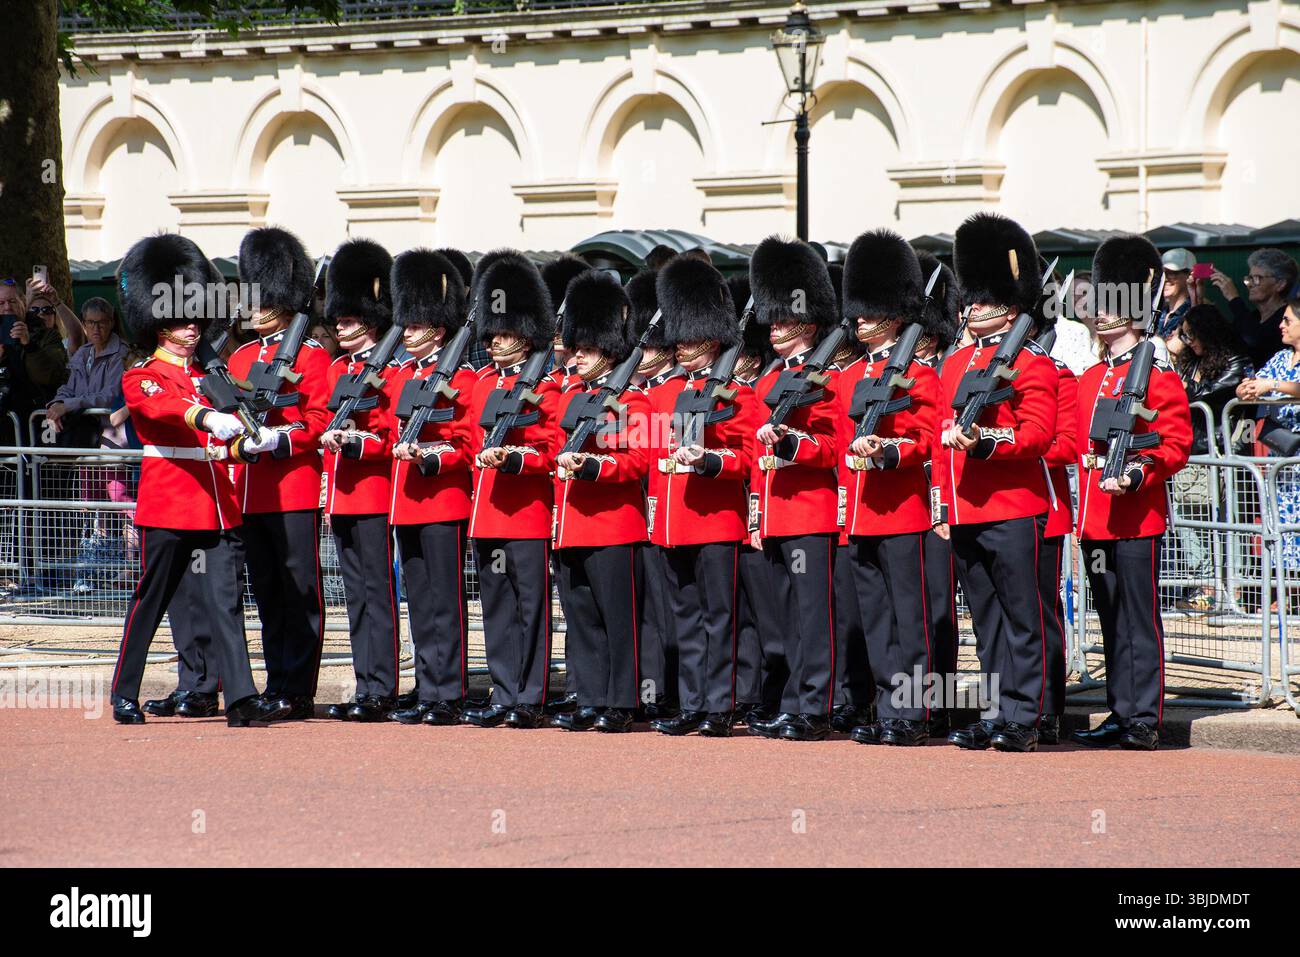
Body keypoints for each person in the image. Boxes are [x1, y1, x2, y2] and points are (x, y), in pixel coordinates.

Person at [108, 233, 288, 727]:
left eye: (195, 320)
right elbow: (161, 407)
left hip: (215, 504)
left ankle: (242, 697)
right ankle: (125, 691)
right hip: (169, 503)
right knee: (150, 602)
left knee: (226, 605)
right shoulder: (143, 373)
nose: (192, 329)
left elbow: (221, 439)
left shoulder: (212, 376)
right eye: (182, 321)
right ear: (157, 325)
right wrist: (207, 419)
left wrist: (247, 445)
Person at [934, 213, 1057, 753]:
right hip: (965, 509)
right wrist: (942, 506)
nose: (972, 307)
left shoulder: (1033, 363)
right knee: (985, 621)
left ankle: (1025, 716)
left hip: (1012, 506)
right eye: (971, 298)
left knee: (1021, 616)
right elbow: (941, 440)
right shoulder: (954, 362)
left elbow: (1038, 436)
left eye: (983, 299)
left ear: (1009, 303)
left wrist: (986, 442)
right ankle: (997, 709)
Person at [1071, 235, 1192, 751]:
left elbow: (1176, 442)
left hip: (1136, 513)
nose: (1102, 315)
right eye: (1099, 306)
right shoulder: (1091, 377)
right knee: (1112, 618)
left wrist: (1140, 474)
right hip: (1096, 515)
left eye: (1112, 306)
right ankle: (1121, 710)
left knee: (1138, 619)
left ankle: (1144, 716)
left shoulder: (1155, 374)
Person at [832, 230, 940, 747]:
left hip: (902, 510)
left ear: (894, 316)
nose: (859, 320)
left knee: (908, 618)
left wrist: (889, 453)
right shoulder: (850, 376)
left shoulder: (919, 374)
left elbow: (925, 440)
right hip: (861, 513)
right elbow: (836, 446)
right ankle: (888, 709)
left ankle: (915, 714)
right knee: (876, 618)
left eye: (869, 311)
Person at [646, 256, 757, 737]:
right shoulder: (660, 395)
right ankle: (692, 702)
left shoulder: (737, 394)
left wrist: (711, 461)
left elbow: (747, 457)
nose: (682, 347)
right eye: (680, 338)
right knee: (685, 618)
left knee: (720, 617)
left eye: (691, 340)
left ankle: (721, 703)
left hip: (714, 519)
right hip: (672, 522)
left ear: (712, 340)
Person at [228, 227, 333, 720]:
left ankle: (299, 687)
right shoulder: (241, 357)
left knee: (300, 589)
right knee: (267, 592)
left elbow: (318, 421)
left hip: (293, 488)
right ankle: (275, 681)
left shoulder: (313, 357)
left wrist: (279, 438)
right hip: (251, 492)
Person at [745, 236, 843, 743]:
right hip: (776, 516)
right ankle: (792, 701)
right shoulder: (766, 382)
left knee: (813, 617)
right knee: (784, 620)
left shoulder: (824, 378)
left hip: (811, 513)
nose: (775, 327)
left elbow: (831, 448)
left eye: (784, 320)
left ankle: (816, 705)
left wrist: (792, 447)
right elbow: (757, 463)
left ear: (806, 322)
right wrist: (757, 518)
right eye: (774, 319)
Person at [461, 251, 560, 729]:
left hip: (526, 512)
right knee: (497, 606)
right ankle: (504, 691)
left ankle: (532, 695)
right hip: (488, 512)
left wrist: (516, 459)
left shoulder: (549, 384)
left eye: (504, 332)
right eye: (493, 332)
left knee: (530, 607)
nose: (496, 341)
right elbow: (465, 442)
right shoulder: (481, 382)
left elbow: (552, 448)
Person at [550, 269, 650, 733]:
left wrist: (595, 468)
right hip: (571, 524)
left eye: (585, 350)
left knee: (619, 621)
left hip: (613, 525)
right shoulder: (572, 396)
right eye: (576, 348)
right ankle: (591, 698)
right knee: (582, 619)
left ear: (608, 349)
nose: (576, 358)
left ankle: (623, 702)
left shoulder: (633, 399)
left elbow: (637, 460)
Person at [384, 249, 477, 727]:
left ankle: (450, 690)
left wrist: (428, 457)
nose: (408, 333)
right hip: (404, 503)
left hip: (442, 501)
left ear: (437, 331)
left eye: (416, 326)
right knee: (418, 602)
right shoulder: (401, 375)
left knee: (444, 601)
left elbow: (464, 443)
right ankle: (426, 684)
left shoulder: (460, 377)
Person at [320, 239, 401, 722]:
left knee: (377, 591)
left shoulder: (388, 370)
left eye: (348, 321)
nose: (340, 327)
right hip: (343, 496)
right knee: (354, 596)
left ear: (369, 321)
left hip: (373, 494)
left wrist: (356, 445)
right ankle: (366, 681)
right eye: (338, 320)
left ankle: (383, 686)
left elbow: (388, 435)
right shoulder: (337, 369)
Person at [625, 266, 681, 719]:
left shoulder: (677, 392)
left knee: (669, 611)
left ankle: (669, 691)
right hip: (638, 513)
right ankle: (649, 691)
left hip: (667, 511)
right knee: (644, 612)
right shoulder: (631, 394)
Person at [1168, 303, 1249, 609]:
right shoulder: (1188, 363)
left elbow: (1208, 393)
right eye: (1183, 335)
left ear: (1206, 333)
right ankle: (1206, 587)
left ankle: (1237, 591)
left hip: (1218, 449)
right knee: (1189, 520)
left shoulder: (1234, 360)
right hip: (1189, 449)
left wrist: (1187, 388)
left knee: (1227, 519)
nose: (1187, 341)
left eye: (1190, 335)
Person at [913, 248, 960, 737]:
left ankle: (941, 704)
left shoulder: (944, 369)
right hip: (916, 503)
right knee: (921, 609)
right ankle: (920, 706)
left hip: (942, 502)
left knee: (941, 611)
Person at [1031, 274, 1078, 746]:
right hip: (994, 506)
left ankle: (1046, 707)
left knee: (1039, 610)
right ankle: (1009, 704)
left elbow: (1066, 443)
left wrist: (1017, 447)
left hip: (1042, 506)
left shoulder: (1054, 370)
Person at [1236, 294, 1300, 576]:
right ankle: (1284, 590)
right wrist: (1246, 390)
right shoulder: (1281, 357)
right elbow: (1253, 383)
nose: (1281, 326)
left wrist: (1272, 385)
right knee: (1279, 522)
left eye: (1287, 320)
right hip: (1282, 456)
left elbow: (1276, 384)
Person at [1211, 248, 1298, 369]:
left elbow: (1256, 339)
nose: (1250, 284)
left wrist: (1234, 298)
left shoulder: (1287, 317)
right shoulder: (1253, 316)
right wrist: (1196, 298)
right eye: (1249, 278)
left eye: (1257, 278)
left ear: (1280, 284)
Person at [1153, 248, 1197, 340]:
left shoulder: (1198, 311)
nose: (1165, 279)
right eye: (1162, 273)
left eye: (1171, 273)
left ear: (1190, 275)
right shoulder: (1157, 311)